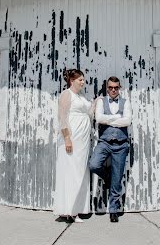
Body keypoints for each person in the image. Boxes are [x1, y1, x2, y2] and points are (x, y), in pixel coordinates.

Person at [53, 68, 95, 222]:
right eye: (80, 80)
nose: (83, 82)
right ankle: (71, 211)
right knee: (70, 173)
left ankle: (75, 208)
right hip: (72, 139)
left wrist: (96, 103)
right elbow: (62, 118)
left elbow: (89, 114)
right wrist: (67, 139)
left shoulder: (81, 96)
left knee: (80, 173)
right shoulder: (66, 94)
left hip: (83, 141)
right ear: (72, 81)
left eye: (83, 79)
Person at [89, 76, 132, 222]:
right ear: (107, 88)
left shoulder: (125, 103)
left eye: (116, 88)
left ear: (119, 88)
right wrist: (117, 119)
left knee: (117, 178)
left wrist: (110, 119)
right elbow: (99, 118)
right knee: (94, 164)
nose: (113, 90)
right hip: (104, 142)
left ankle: (114, 209)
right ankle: (106, 175)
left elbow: (128, 121)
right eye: (111, 87)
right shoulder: (101, 101)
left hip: (121, 144)